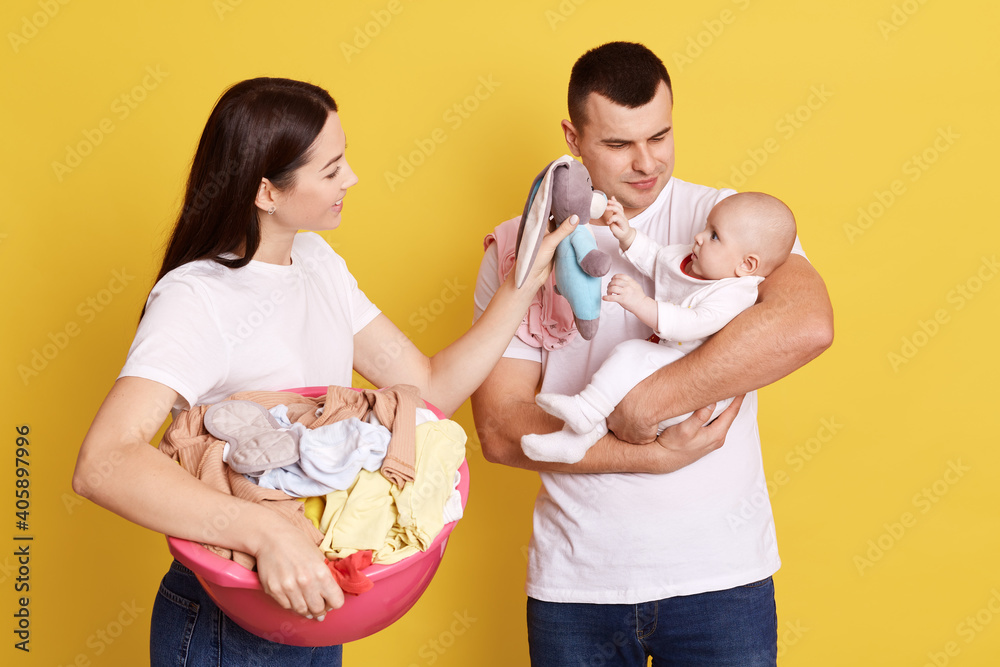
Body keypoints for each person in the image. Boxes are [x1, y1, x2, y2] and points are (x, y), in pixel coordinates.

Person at [72, 77, 576, 667]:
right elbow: (103, 463)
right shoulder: (195, 298)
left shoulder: (316, 261)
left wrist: (523, 285)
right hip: (231, 618)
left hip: (316, 596)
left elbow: (427, 388)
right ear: (267, 191)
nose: (352, 179)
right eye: (332, 169)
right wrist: (263, 533)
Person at [471, 42, 833, 665]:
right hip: (575, 585)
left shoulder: (729, 219)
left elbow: (806, 325)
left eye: (660, 136)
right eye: (617, 145)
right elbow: (502, 431)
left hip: (720, 581)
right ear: (573, 136)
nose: (646, 163)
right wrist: (654, 455)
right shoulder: (516, 246)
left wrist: (650, 403)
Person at [522, 191, 797, 464]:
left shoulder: (736, 294)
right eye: (705, 227)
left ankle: (586, 407)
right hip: (669, 364)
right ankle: (575, 442)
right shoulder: (702, 264)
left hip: (692, 391)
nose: (699, 237)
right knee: (620, 387)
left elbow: (692, 324)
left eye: (714, 235)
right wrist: (627, 235)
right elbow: (659, 260)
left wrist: (640, 303)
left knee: (630, 353)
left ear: (746, 265)